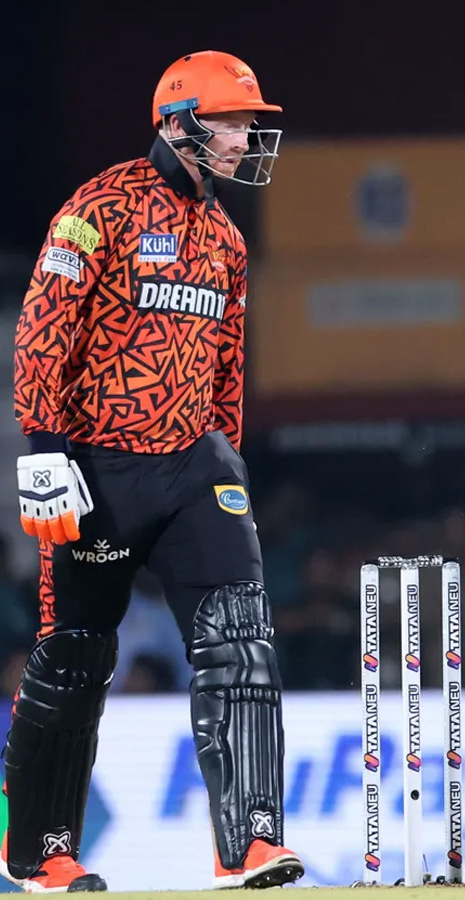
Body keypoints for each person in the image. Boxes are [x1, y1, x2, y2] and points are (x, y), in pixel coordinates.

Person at [6, 51, 302, 892]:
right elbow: (44, 325)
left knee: (240, 638)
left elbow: (226, 370)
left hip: (193, 465)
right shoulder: (99, 207)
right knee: (74, 659)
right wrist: (43, 448)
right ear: (178, 124)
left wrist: (227, 455)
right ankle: (39, 853)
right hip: (96, 466)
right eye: (232, 122)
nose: (245, 139)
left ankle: (249, 844)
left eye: (249, 124)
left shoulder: (227, 241)